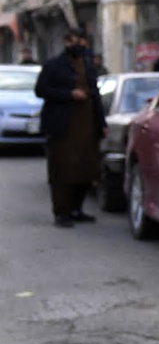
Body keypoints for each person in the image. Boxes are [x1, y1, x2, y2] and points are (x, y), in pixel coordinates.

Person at [34, 29, 107, 228]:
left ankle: (77, 209)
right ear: (67, 43)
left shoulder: (89, 66)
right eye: (76, 41)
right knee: (62, 171)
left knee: (85, 169)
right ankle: (61, 212)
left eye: (83, 41)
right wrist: (69, 94)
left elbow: (96, 96)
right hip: (62, 126)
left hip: (87, 126)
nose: (80, 45)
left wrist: (102, 124)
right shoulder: (53, 66)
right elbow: (41, 90)